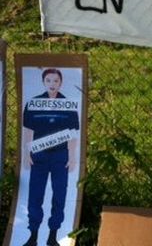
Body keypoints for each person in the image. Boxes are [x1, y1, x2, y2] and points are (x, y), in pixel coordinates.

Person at [22, 68, 79, 246]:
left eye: (56, 81)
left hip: (60, 156)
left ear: (60, 83)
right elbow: (28, 130)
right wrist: (26, 153)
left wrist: (72, 157)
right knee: (35, 194)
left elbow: (72, 133)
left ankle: (53, 235)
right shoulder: (33, 104)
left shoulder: (68, 105)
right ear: (43, 82)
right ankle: (33, 235)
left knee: (59, 194)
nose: (52, 84)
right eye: (48, 80)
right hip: (38, 156)